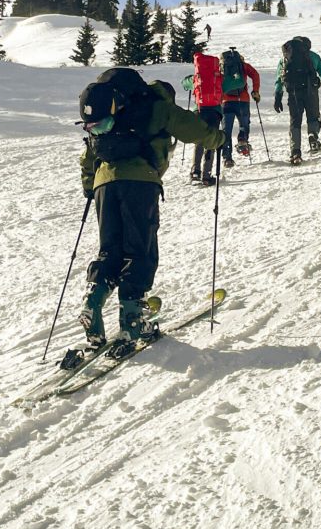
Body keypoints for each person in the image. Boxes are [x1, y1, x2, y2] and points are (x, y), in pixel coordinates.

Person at [78, 67, 225, 350]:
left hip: (104, 185)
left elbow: (89, 153)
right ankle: (133, 320)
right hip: (140, 183)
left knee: (110, 250)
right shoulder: (157, 106)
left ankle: (92, 301)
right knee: (140, 250)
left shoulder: (114, 108)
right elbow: (192, 128)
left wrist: (89, 187)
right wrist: (218, 139)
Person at [274, 36, 321, 164]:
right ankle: (313, 136)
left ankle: (295, 152)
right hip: (311, 91)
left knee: (295, 121)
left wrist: (278, 96)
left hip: (293, 93)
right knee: (313, 116)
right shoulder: (312, 56)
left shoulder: (285, 58)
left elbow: (279, 78)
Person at [180, 47, 223, 185]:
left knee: (199, 140)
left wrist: (192, 78)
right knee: (210, 142)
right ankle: (207, 175)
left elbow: (183, 83)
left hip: (199, 111)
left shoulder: (196, 79)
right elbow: (235, 83)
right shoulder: (219, 78)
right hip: (215, 113)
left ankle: (195, 171)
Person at [219, 47, 260, 167]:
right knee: (244, 124)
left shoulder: (221, 67)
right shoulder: (243, 65)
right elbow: (255, 74)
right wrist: (255, 91)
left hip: (226, 102)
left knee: (226, 130)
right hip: (243, 100)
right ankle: (242, 140)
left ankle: (227, 158)